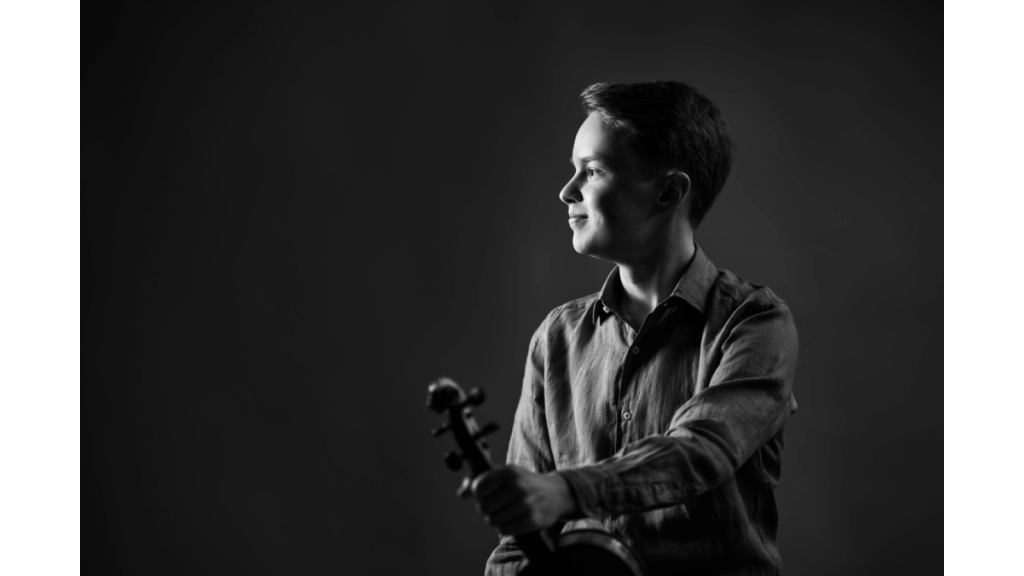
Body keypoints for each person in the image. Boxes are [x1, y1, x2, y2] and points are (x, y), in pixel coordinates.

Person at [463, 80, 799, 575]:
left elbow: (702, 452)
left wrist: (565, 492)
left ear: (668, 192)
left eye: (593, 171)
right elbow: (518, 546)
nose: (567, 191)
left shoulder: (755, 322)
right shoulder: (556, 339)